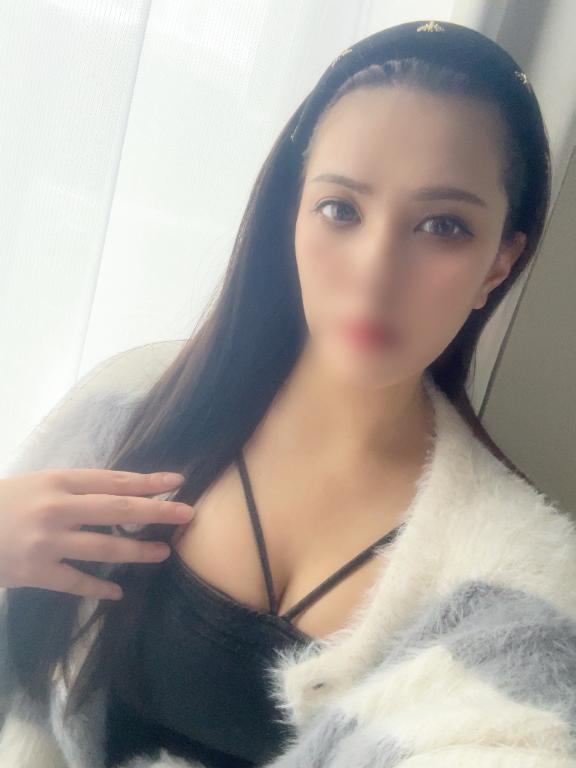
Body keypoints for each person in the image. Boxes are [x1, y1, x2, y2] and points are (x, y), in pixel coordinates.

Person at [1, 17, 573, 768]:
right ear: (291, 217)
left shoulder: (520, 593)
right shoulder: (125, 417)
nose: (375, 272)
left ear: (499, 263)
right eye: (341, 210)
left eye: (443, 226)